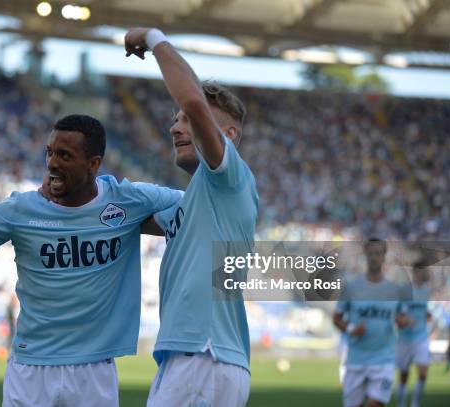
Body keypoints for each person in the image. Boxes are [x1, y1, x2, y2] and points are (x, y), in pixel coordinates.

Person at [0, 114, 182, 406]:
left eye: (64, 155)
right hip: (30, 369)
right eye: (49, 152)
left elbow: (197, 204)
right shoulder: (20, 209)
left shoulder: (128, 201)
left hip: (94, 369)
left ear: (93, 164)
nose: (52, 163)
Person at [124, 28, 259, 406]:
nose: (175, 127)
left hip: (205, 354)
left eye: (188, 120)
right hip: (198, 357)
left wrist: (152, 38)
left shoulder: (231, 178)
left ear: (228, 136)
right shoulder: (193, 201)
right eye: (176, 119)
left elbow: (195, 102)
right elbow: (130, 218)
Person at [333, 239, 411, 407]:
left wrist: (403, 321)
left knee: (376, 403)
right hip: (356, 359)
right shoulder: (352, 288)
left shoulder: (394, 290)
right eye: (371, 253)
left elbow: (404, 317)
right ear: (365, 255)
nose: (374, 257)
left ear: (384, 257)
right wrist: (352, 329)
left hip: (384, 359)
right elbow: (337, 318)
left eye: (378, 253)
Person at [396, 262, 432, 407]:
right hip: (404, 338)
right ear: (417, 271)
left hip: (421, 337)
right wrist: (403, 319)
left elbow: (425, 311)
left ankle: (415, 403)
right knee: (404, 376)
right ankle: (401, 403)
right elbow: (397, 312)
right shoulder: (404, 291)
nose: (427, 273)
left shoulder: (427, 291)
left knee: (423, 374)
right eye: (425, 270)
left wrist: (427, 315)